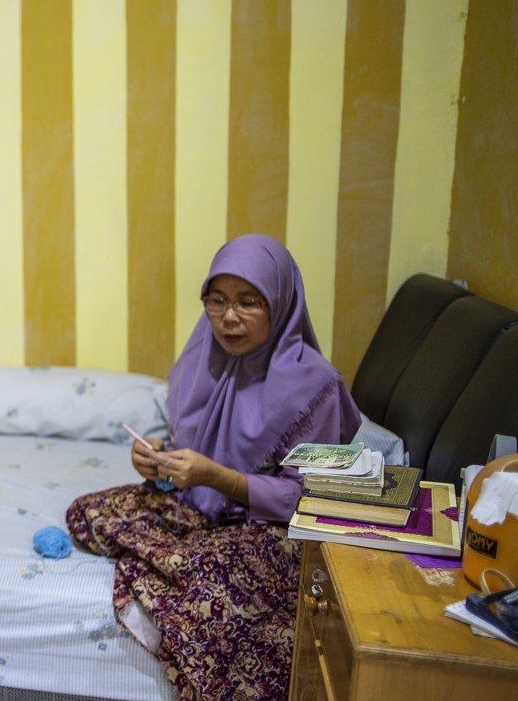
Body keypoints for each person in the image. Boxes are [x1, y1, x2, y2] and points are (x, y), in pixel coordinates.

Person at [66, 234, 360, 700]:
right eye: (216, 300)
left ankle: (172, 566)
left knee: (208, 581)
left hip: (272, 531)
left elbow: (313, 498)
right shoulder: (202, 360)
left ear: (280, 302)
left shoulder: (315, 388)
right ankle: (171, 563)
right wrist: (157, 460)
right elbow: (194, 448)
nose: (228, 318)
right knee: (87, 511)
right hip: (197, 509)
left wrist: (216, 478)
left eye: (249, 302)